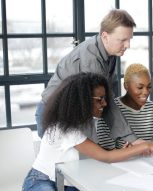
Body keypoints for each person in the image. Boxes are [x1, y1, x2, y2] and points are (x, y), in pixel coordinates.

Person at [22, 72, 153, 191]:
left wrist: (125, 151)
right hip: (40, 181)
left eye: (104, 98)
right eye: (99, 99)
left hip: (69, 184)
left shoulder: (89, 122)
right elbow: (106, 156)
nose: (104, 104)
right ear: (82, 100)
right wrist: (147, 145)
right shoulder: (64, 128)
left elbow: (98, 154)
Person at [35, 9, 136, 139]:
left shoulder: (110, 52)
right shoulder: (90, 59)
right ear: (105, 36)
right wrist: (130, 138)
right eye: (122, 40)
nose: (128, 45)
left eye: (129, 39)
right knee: (75, 159)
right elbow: (106, 101)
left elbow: (110, 92)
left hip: (74, 114)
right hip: (54, 116)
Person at [97, 63, 153, 149]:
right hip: (122, 161)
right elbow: (104, 152)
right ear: (126, 86)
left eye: (149, 87)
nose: (146, 92)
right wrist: (126, 152)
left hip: (148, 161)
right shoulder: (110, 110)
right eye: (140, 87)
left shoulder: (152, 108)